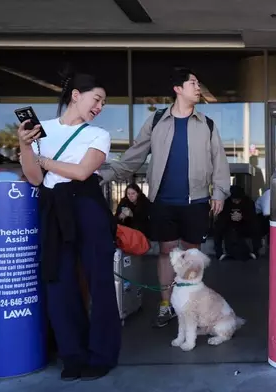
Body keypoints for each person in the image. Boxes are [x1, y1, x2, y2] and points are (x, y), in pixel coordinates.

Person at [99, 67, 230, 328]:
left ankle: (192, 307)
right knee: (166, 252)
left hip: (198, 200)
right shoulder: (157, 120)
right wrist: (104, 174)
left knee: (192, 254)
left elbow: (219, 161)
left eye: (198, 82)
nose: (197, 87)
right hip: (163, 200)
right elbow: (135, 155)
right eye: (192, 82)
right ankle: (165, 305)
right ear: (177, 89)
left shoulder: (207, 124)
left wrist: (219, 192)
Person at [17, 70, 120, 381]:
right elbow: (34, 178)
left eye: (102, 102)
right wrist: (24, 146)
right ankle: (72, 354)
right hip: (52, 207)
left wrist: (45, 161)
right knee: (58, 281)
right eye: (96, 99)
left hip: (86, 205)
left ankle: (102, 354)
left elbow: (81, 172)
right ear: (76, 95)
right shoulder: (42, 130)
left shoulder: (98, 134)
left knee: (99, 281)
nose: (99, 106)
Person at [214, 185, 262, 260]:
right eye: (234, 200)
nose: (236, 202)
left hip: (244, 225)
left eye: (238, 200)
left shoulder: (248, 202)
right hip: (229, 226)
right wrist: (231, 217)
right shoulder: (226, 203)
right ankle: (219, 253)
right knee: (218, 226)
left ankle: (256, 251)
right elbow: (221, 217)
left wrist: (242, 217)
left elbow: (252, 216)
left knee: (255, 224)